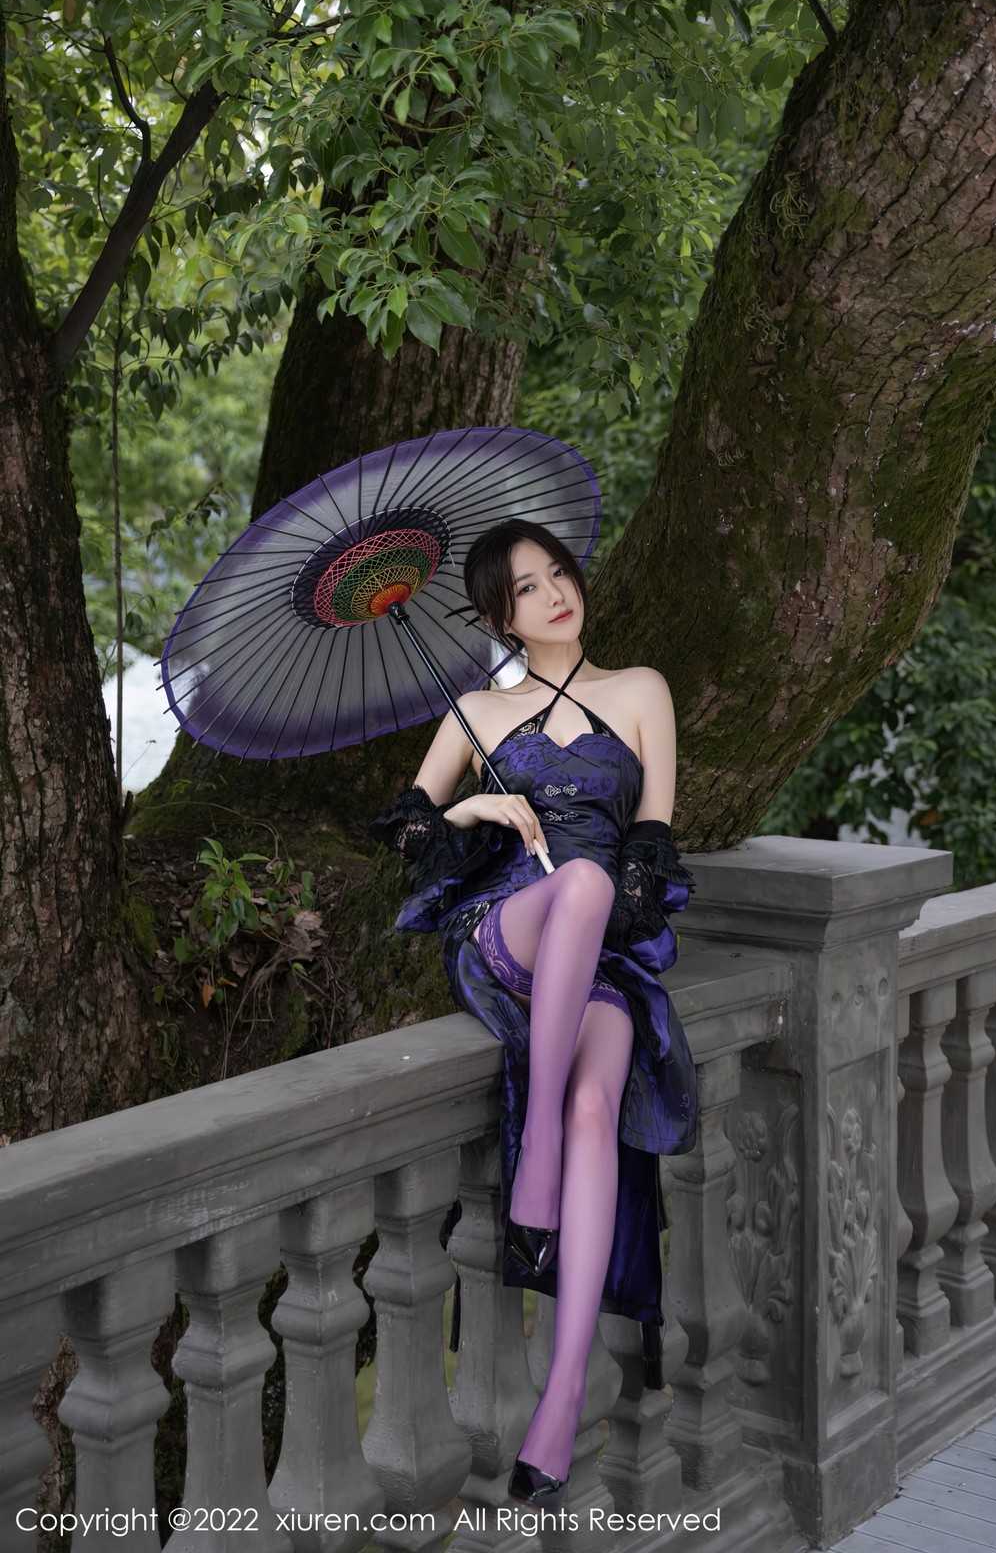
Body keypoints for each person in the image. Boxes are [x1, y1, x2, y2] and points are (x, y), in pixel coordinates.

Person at [368, 516, 698, 1501]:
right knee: (578, 885)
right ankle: (536, 1156)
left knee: (601, 1105)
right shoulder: (475, 710)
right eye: (527, 588)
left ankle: (559, 1404)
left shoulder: (639, 690)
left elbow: (653, 838)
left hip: (596, 956)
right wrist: (473, 808)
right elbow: (406, 828)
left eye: (560, 573)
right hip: (502, 935)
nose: (556, 594)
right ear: (497, 616)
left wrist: (612, 898)